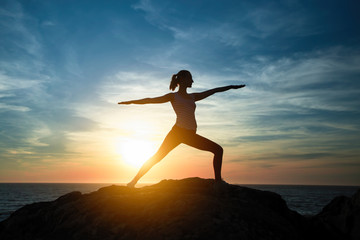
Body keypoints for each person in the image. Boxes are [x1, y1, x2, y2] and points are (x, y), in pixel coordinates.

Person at [118, 70, 245, 187]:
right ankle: (133, 182)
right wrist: (130, 102)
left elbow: (214, 90)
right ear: (183, 79)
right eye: (190, 78)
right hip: (178, 132)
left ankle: (218, 182)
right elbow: (150, 100)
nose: (193, 81)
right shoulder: (173, 97)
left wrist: (231, 87)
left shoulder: (193, 97)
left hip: (189, 134)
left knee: (218, 150)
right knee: (157, 157)